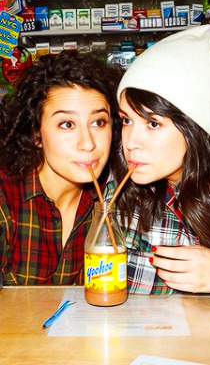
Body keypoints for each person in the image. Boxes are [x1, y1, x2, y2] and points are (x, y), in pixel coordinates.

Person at [108, 25, 210, 300]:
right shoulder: (122, 187)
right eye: (127, 120)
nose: (130, 142)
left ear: (194, 130)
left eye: (153, 123)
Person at [0, 49, 122, 285]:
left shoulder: (111, 198)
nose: (88, 144)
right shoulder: (7, 198)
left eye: (98, 122)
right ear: (36, 134)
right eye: (67, 124)